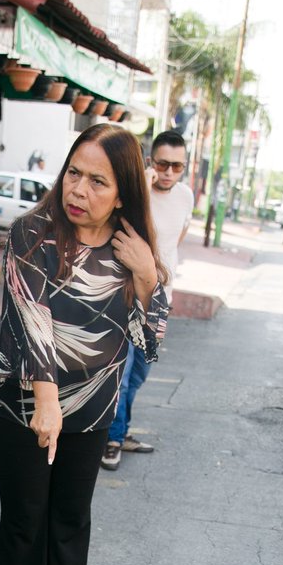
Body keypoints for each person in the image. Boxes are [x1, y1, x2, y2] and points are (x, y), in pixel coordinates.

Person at [0, 123, 169, 565]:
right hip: (24, 400)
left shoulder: (131, 250)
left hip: (93, 407)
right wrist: (46, 404)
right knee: (26, 513)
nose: (78, 190)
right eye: (74, 173)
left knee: (71, 515)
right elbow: (31, 322)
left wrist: (147, 277)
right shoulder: (32, 233)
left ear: (123, 194)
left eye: (97, 182)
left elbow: (148, 342)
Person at [101, 129, 194, 471]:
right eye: (162, 164)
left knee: (140, 372)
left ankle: (120, 430)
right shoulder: (135, 192)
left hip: (160, 297)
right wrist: (140, 184)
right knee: (122, 375)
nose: (168, 172)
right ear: (151, 161)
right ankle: (112, 440)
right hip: (128, 294)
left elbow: (175, 239)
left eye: (177, 166)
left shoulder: (186, 196)